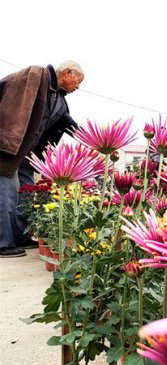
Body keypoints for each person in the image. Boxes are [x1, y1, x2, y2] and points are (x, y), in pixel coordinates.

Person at [0, 61, 84, 258]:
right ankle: (3, 243)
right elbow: (13, 105)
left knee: (27, 193)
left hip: (27, 154)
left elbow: (67, 124)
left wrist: (94, 139)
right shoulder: (37, 75)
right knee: (7, 192)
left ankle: (20, 236)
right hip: (10, 146)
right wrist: (7, 141)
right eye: (78, 81)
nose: (78, 86)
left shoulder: (60, 100)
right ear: (68, 72)